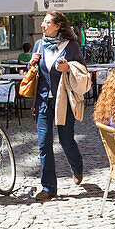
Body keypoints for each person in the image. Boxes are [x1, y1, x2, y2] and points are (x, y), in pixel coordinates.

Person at [28, 10, 86, 200]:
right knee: (44, 143)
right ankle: (48, 188)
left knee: (65, 140)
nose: (43, 26)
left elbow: (82, 69)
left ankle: (77, 167)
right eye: (43, 22)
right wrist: (32, 64)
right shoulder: (39, 44)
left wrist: (68, 67)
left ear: (58, 26)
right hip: (43, 100)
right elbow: (36, 70)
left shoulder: (72, 46)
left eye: (47, 23)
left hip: (63, 100)